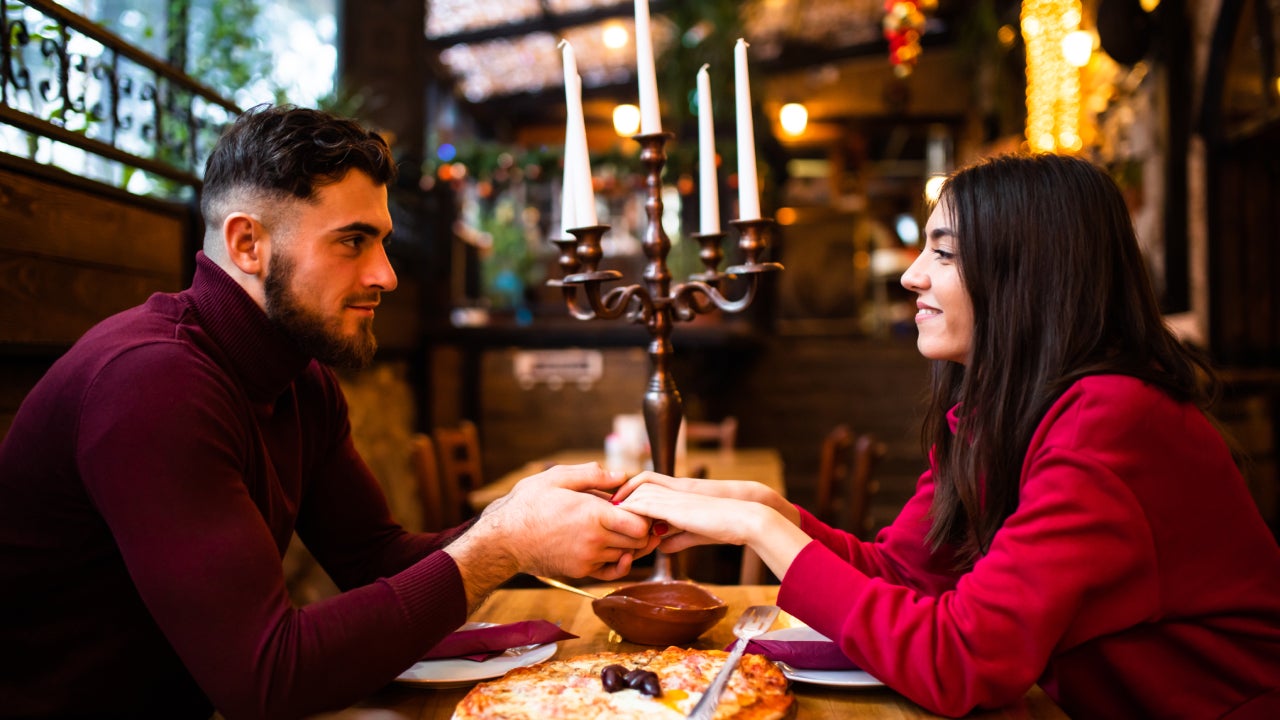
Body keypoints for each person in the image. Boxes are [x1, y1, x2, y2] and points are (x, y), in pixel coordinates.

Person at [0, 105, 657, 720]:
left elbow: (378, 562)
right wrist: (502, 542)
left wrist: (534, 522)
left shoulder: (300, 379)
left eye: (383, 242)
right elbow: (266, 677)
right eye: (353, 242)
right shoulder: (153, 383)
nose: (386, 275)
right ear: (248, 245)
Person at [616, 153, 1280, 719]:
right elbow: (909, 575)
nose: (912, 276)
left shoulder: (1111, 422)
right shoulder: (1004, 406)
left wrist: (763, 535)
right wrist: (769, 512)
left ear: (1028, 273)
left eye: (943, 253)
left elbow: (963, 660)